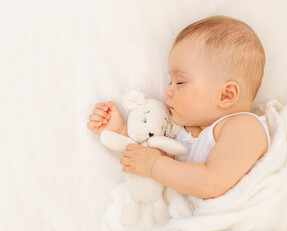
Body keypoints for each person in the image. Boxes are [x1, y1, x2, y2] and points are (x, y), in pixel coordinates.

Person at [87, 15, 270, 199]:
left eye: (180, 82)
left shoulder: (245, 128)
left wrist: (154, 166)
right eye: (170, 81)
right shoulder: (186, 132)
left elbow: (210, 183)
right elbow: (154, 157)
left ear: (226, 95)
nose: (168, 90)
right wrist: (121, 131)